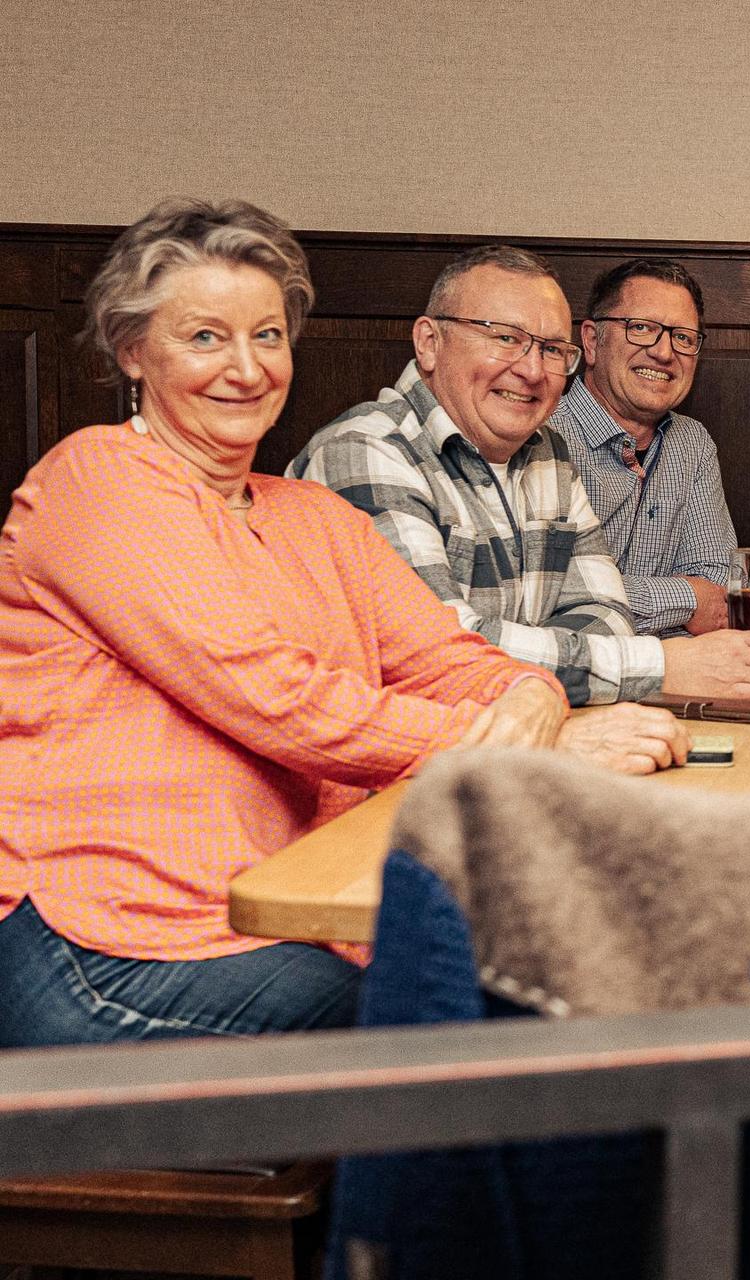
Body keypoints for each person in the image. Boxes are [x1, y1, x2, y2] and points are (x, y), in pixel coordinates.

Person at [0, 199, 688, 1049]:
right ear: (132, 349)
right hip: (104, 945)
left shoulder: (312, 515)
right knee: (466, 1023)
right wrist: (524, 743)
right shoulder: (100, 480)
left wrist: (530, 696)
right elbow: (280, 699)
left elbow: (460, 660)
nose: (246, 369)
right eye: (205, 337)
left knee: (565, 979)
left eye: (268, 336)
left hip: (284, 915)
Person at [291, 245, 750, 703]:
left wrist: (537, 660)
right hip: (391, 773)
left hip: (509, 740)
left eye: (550, 349)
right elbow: (436, 656)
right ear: (429, 342)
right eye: (506, 338)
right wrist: (660, 664)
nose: (532, 369)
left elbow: (607, 616)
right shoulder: (365, 451)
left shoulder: (543, 452)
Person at [547, 258, 736, 637]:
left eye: (682, 337)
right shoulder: (542, 437)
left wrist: (609, 597)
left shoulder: (692, 443)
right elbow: (545, 597)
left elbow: (720, 588)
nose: (664, 353)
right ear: (591, 340)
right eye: (642, 328)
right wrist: (685, 598)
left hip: (685, 681)